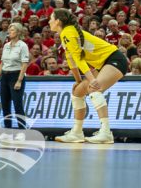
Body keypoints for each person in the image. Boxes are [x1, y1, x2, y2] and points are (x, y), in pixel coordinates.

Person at [49, 8, 129, 144]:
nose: (49, 21)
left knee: (94, 89)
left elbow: (79, 59)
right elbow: (72, 62)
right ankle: (77, 132)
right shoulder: (66, 34)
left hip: (114, 59)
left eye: (51, 18)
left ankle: (106, 132)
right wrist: (78, 81)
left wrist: (92, 80)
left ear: (58, 21)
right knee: (77, 91)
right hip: (102, 64)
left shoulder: (67, 32)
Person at [0, 22, 29, 129]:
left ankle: (22, 130)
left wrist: (19, 80)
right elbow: (2, 63)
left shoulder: (22, 45)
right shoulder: (6, 45)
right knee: (5, 105)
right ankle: (7, 129)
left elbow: (25, 63)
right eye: (9, 29)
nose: (9, 31)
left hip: (16, 75)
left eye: (12, 30)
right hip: (4, 76)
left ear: (18, 32)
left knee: (18, 105)